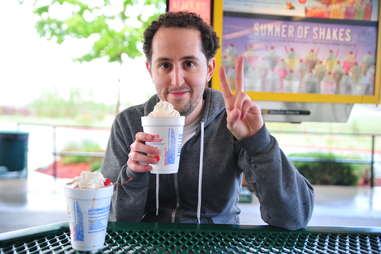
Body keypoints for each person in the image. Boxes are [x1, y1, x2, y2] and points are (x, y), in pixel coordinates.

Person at [101, 11, 314, 230]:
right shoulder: (128, 124)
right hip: (149, 246)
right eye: (165, 65)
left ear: (209, 69)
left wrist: (258, 142)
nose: (176, 80)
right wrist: (133, 174)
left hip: (218, 245)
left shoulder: (232, 122)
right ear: (150, 70)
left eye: (189, 64)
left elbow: (294, 217)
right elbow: (112, 220)